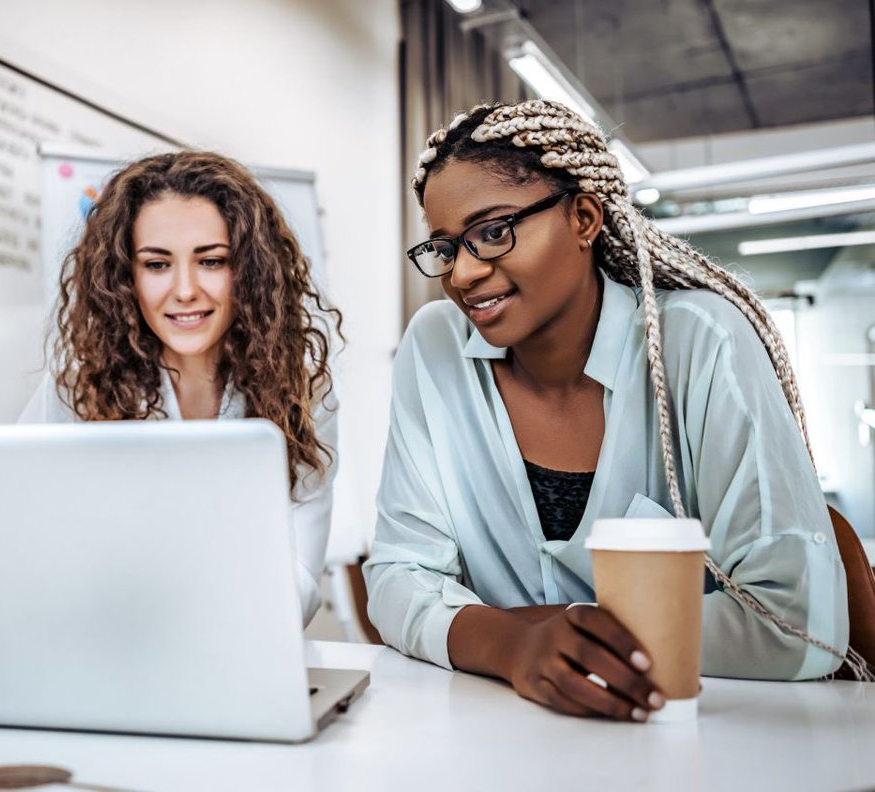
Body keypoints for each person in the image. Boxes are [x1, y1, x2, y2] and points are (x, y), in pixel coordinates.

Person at [364, 99, 869, 723]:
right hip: (503, 739)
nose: (463, 273)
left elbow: (795, 625)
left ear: (582, 218)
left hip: (704, 739)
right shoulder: (434, 347)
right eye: (444, 247)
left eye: (494, 231)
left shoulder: (701, 343)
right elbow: (395, 576)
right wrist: (514, 645)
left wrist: (556, 631)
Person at [20, 151, 342, 627]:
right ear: (125, 277)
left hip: (241, 650)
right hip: (98, 648)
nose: (186, 289)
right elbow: (24, 543)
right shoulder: (78, 386)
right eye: (156, 264)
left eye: (211, 261)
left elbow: (297, 584)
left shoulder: (304, 393)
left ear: (249, 271)